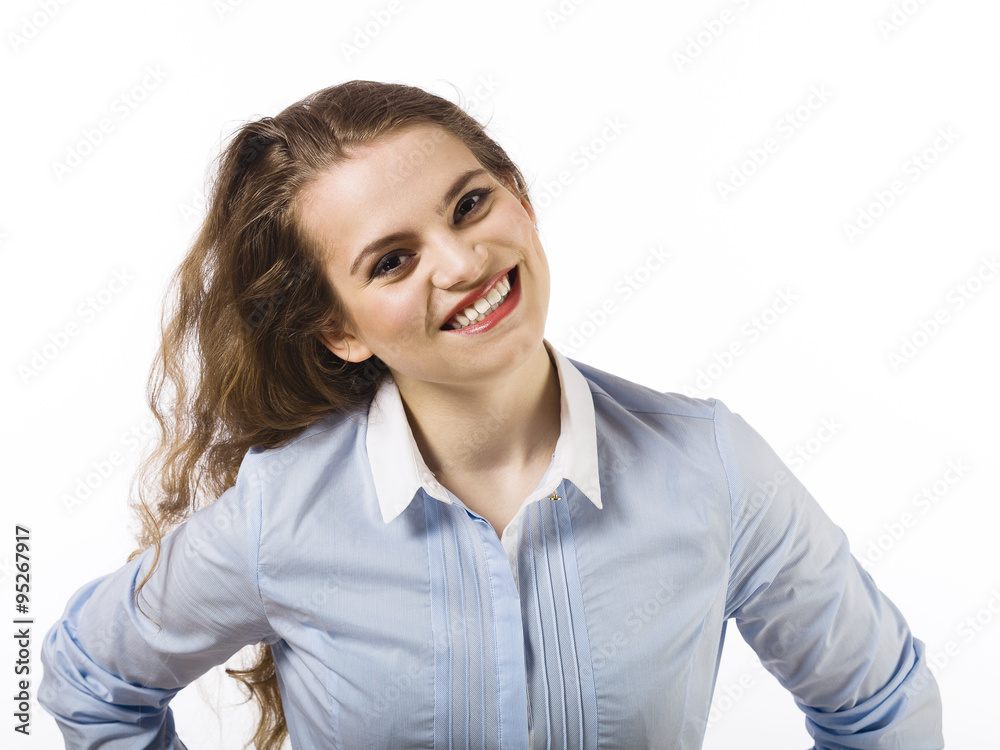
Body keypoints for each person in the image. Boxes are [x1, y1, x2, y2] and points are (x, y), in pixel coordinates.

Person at [38, 80, 944, 749]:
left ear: (522, 198)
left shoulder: (710, 465)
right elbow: (91, 678)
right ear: (339, 330)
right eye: (391, 262)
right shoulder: (283, 512)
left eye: (470, 205)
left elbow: (882, 704)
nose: (462, 262)